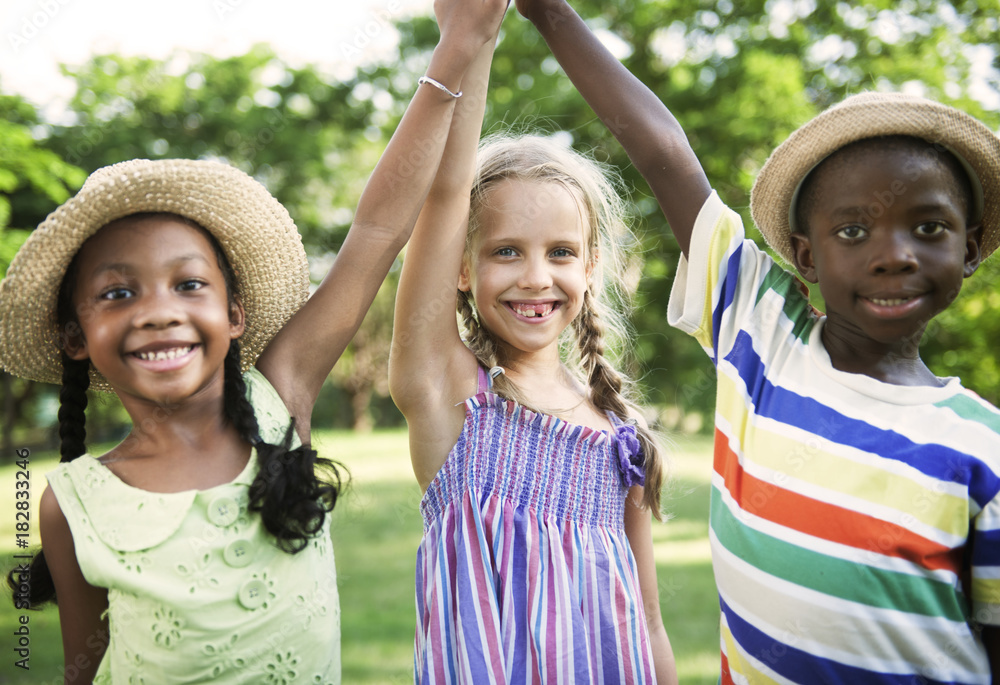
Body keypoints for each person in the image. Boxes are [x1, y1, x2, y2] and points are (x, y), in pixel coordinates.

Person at [0, 0, 509, 681]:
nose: (157, 311)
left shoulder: (281, 399)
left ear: (235, 312)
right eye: (119, 293)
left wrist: (456, 48)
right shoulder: (72, 501)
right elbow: (82, 667)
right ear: (74, 336)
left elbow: (377, 231)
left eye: (188, 285)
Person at [515, 1, 1000, 683]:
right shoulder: (761, 333)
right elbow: (663, 153)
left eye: (928, 228)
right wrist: (549, 13)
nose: (893, 255)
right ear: (805, 254)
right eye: (853, 232)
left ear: (971, 246)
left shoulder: (984, 451)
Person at [387, 6, 676, 681]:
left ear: (590, 266)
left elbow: (650, 622)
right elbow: (446, 191)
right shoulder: (450, 396)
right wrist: (473, 38)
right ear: (462, 266)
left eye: (561, 252)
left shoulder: (620, 434)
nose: (536, 277)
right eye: (506, 251)